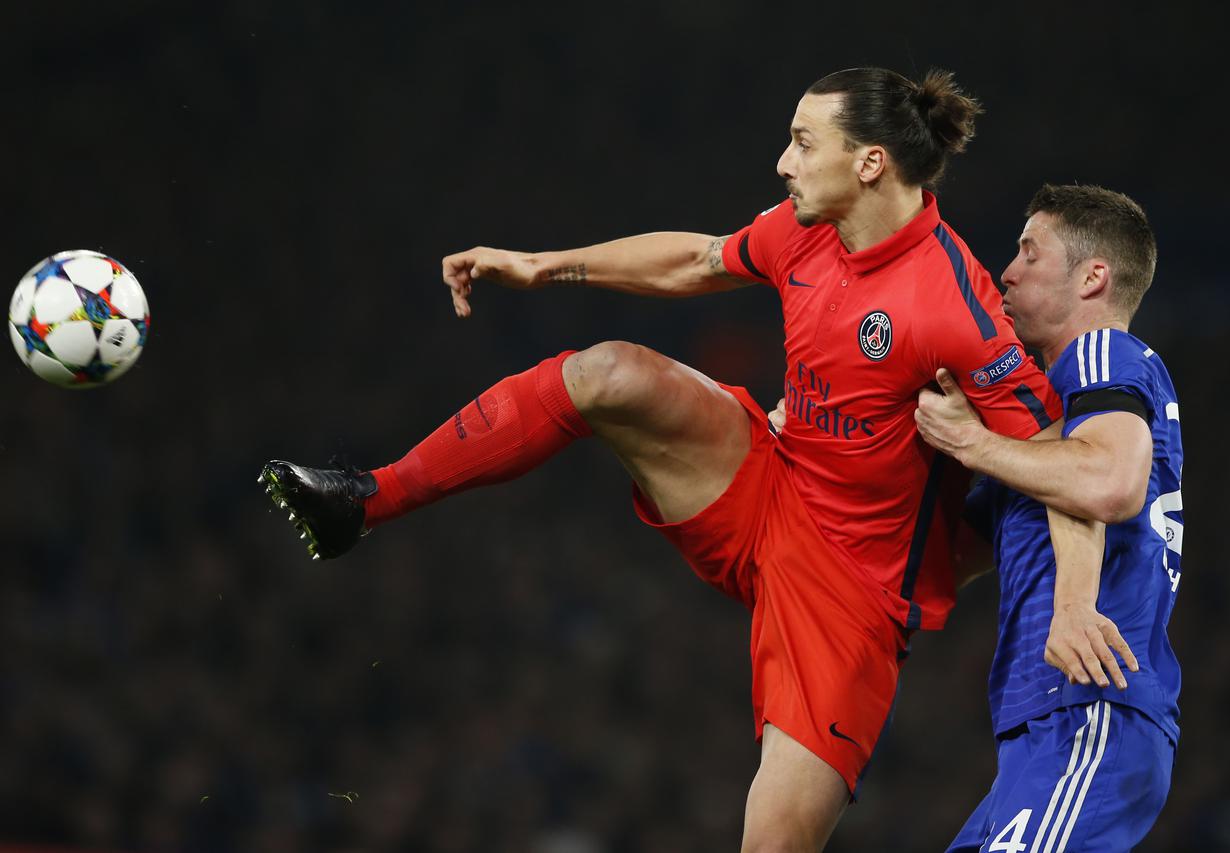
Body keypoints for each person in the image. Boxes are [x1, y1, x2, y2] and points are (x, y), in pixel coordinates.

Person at [259, 67, 1061, 851]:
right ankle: (364, 500)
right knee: (608, 372)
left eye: (802, 142)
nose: (783, 162)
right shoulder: (806, 230)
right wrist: (544, 265)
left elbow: (1058, 461)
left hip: (850, 590)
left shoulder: (952, 304)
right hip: (767, 479)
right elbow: (699, 259)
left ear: (869, 163)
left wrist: (987, 485)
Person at [911, 184, 1182, 852]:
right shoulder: (1043, 425)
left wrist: (970, 442)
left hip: (1089, 709)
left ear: (1092, 277)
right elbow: (943, 561)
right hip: (1046, 730)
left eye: (1031, 252)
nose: (1008, 270)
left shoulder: (1101, 355)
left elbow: (1110, 483)